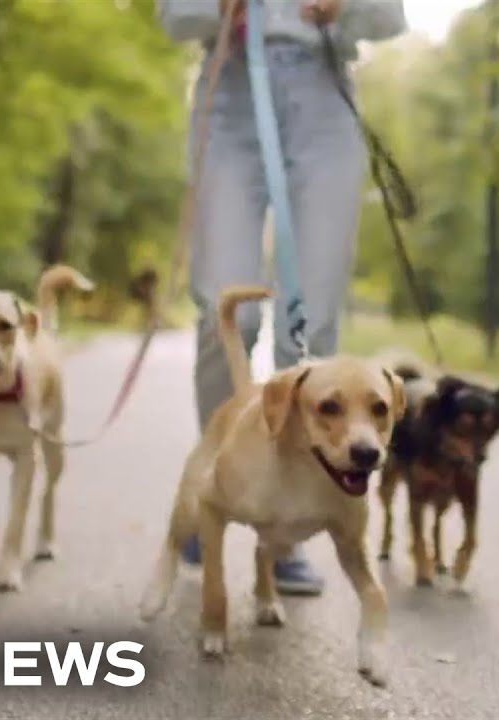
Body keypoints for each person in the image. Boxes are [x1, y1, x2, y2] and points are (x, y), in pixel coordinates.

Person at [155, 0, 408, 595]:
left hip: (323, 89)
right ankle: (213, 487)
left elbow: (388, 18)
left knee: (314, 324)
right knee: (230, 311)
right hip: (230, 89)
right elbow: (174, 18)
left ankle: (290, 531)